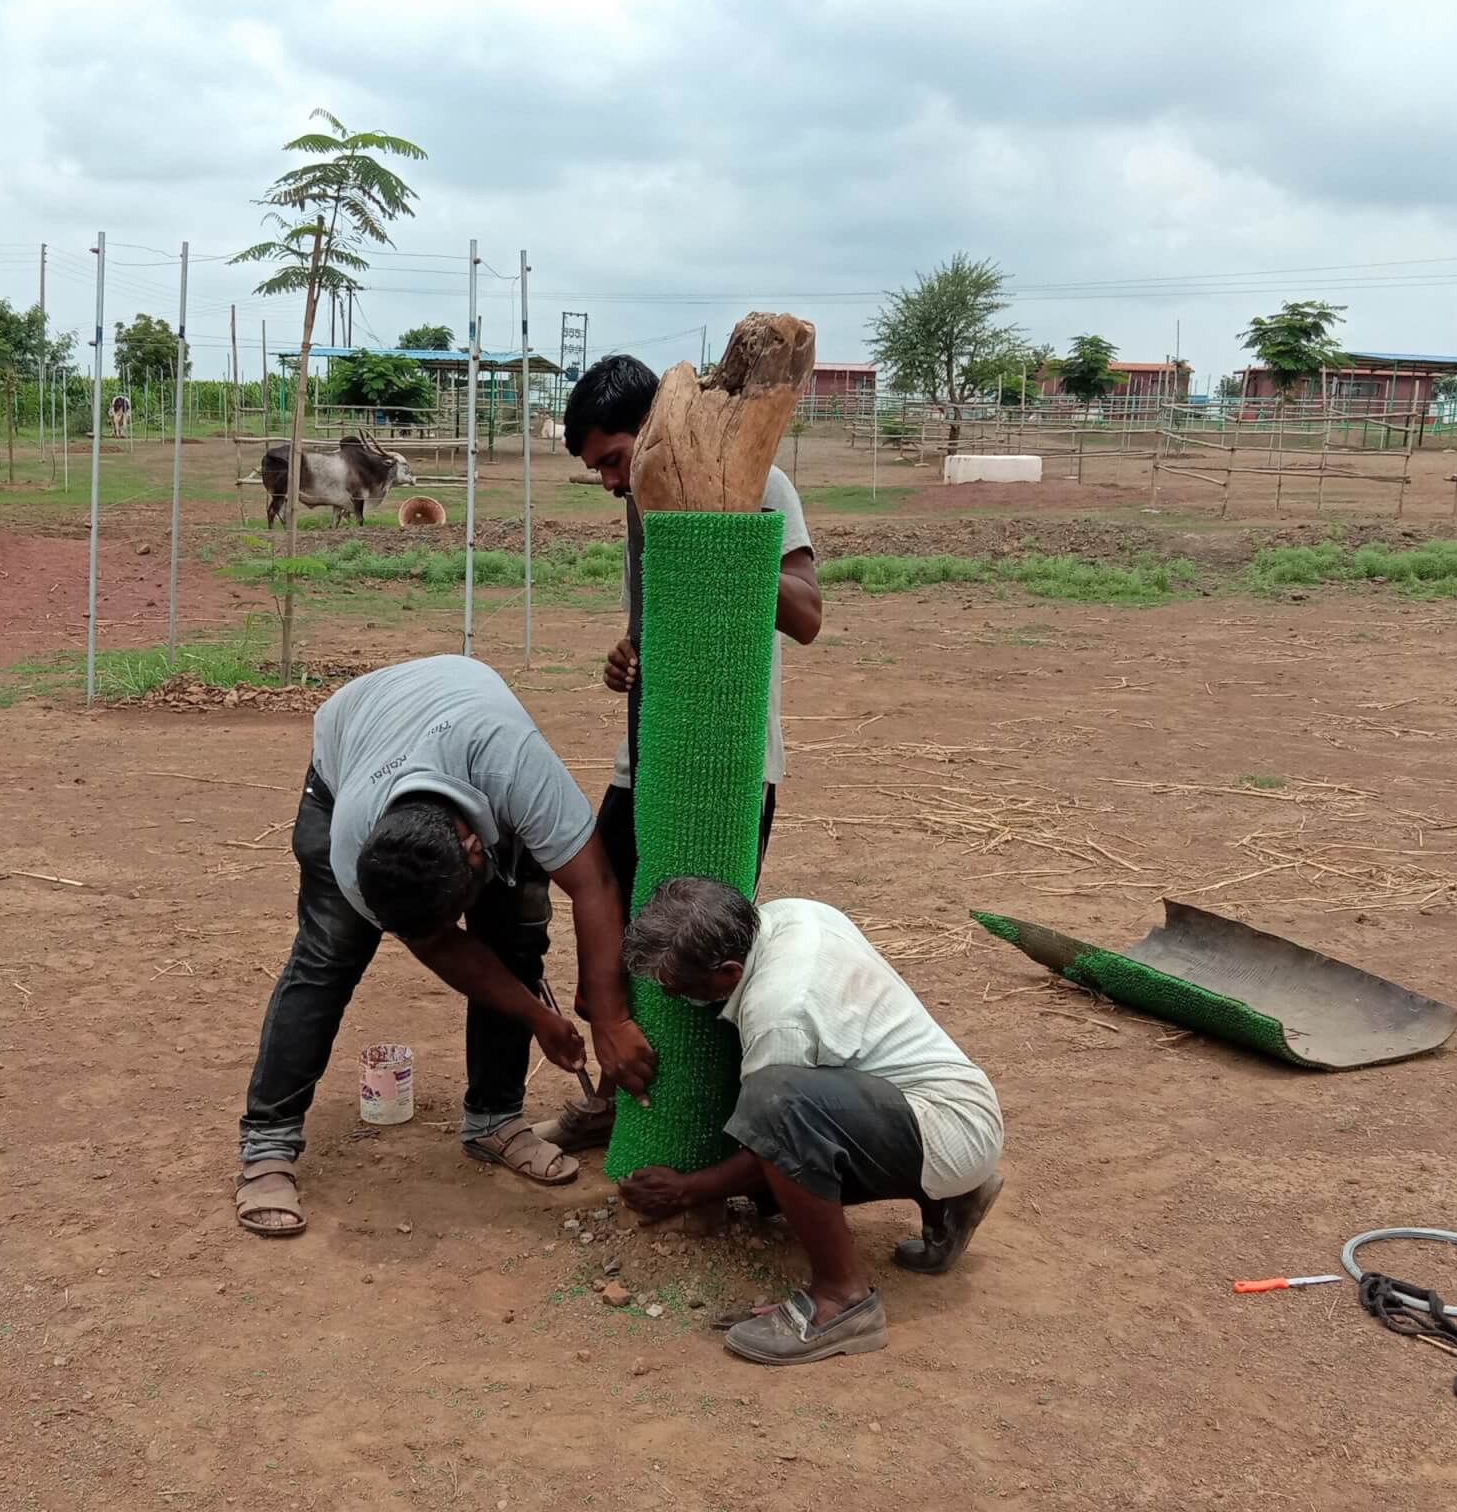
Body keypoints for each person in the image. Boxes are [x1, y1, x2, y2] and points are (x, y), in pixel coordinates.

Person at [234, 654, 656, 1237]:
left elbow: (595, 883)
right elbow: (439, 947)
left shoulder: (512, 768)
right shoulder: (354, 844)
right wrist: (537, 1016)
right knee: (327, 960)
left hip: (464, 725)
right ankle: (269, 1144)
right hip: (353, 743)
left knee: (513, 939)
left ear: (476, 848)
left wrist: (610, 1018)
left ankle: (495, 1119)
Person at [536, 354, 824, 1152]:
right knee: (612, 928)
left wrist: (722, 541)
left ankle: (708, 1121)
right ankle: (615, 1099)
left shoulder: (757, 483)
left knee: (700, 948)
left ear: (657, 433)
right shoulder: (640, 502)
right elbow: (665, 627)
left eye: (613, 461)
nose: (609, 484)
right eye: (596, 470)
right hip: (647, 760)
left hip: (731, 768)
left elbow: (805, 616)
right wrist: (627, 656)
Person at [614, 878, 1004, 1366]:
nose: (674, 998)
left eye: (681, 991)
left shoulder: (779, 1014)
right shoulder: (789, 914)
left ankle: (841, 1300)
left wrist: (690, 1190)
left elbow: (776, 1136)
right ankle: (950, 1194)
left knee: (776, 1103)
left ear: (729, 971)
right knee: (782, 1132)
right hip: (948, 1105)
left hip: (948, 1127)